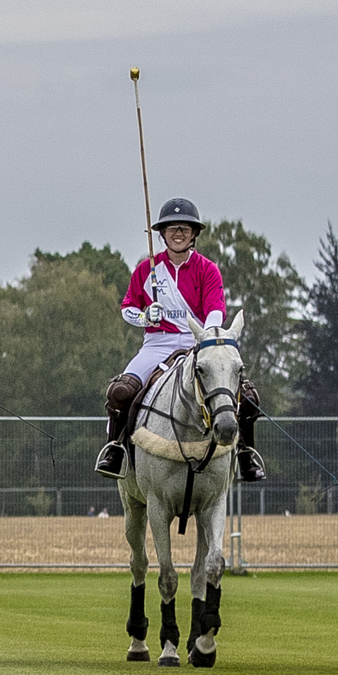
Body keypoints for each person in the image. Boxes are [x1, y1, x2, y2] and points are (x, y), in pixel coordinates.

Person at [94, 196, 267, 481]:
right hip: (156, 343)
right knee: (120, 391)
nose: (178, 233)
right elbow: (127, 308)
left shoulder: (207, 269)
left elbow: (216, 310)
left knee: (247, 397)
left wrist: (206, 338)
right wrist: (146, 317)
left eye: (184, 228)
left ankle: (246, 453)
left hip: (195, 342)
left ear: (194, 234)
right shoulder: (146, 269)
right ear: (162, 233)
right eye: (172, 228)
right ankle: (116, 449)